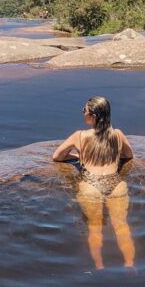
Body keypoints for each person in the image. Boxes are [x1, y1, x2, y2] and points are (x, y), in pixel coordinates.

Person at [53, 96, 135, 269]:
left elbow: (57, 156)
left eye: (84, 111)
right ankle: (129, 264)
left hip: (91, 184)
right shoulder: (118, 134)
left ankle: (99, 266)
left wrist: (78, 156)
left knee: (95, 227)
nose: (83, 114)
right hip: (115, 183)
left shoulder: (80, 136)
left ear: (93, 115)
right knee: (121, 226)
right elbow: (128, 155)